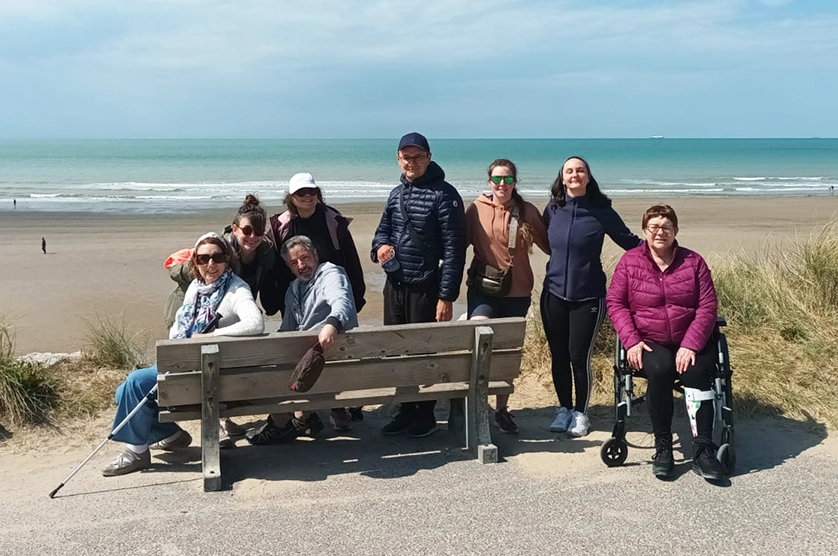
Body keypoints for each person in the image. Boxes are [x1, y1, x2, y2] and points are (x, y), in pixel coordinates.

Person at [102, 233, 264, 476]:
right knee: (123, 392)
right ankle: (169, 435)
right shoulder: (196, 288)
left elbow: (255, 323)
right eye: (204, 258)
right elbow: (180, 327)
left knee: (135, 383)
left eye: (218, 257)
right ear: (195, 262)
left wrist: (210, 336)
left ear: (228, 259)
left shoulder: (236, 289)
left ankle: (136, 453)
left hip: (210, 378)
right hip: (187, 367)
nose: (211, 264)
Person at [606, 205, 727, 481]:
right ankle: (663, 447)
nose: (660, 232)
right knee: (660, 370)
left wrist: (691, 344)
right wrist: (631, 341)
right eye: (654, 227)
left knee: (696, 372)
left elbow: (707, 306)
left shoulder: (694, 262)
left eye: (666, 227)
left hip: (691, 339)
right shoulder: (630, 262)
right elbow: (616, 303)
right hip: (649, 341)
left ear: (676, 231)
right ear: (644, 231)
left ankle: (703, 449)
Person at [371, 132, 466, 437]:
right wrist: (379, 248)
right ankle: (406, 408)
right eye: (406, 157)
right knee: (397, 351)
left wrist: (446, 297)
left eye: (417, 157)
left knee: (424, 353)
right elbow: (382, 231)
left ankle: (424, 414)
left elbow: (454, 250)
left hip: (426, 287)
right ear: (398, 159)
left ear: (428, 158)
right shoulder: (396, 194)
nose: (411, 162)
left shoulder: (445, 195)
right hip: (395, 285)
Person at [541, 156, 641, 437]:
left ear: (588, 176)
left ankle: (581, 413)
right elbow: (540, 238)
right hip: (553, 294)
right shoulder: (553, 209)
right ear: (562, 178)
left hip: (588, 297)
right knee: (558, 356)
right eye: (569, 171)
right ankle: (563, 408)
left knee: (578, 356)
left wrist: (662, 251)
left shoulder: (601, 210)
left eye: (580, 170)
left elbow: (630, 242)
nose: (575, 175)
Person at [246, 235, 359, 445]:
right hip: (314, 366)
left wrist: (332, 324)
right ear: (288, 267)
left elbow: (341, 301)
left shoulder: (331, 274)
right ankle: (303, 417)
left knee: (260, 377)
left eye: (305, 257)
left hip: (329, 363)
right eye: (294, 262)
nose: (301, 265)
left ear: (315, 255)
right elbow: (286, 330)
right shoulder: (293, 289)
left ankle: (281, 425)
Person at [465, 159, 549, 433]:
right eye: (498, 179)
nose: (503, 184)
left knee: (507, 352)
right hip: (483, 289)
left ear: (515, 182)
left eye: (508, 179)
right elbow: (455, 244)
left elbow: (552, 245)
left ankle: (501, 409)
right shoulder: (476, 209)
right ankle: (475, 404)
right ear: (489, 181)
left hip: (517, 291)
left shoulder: (527, 211)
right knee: (478, 336)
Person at [164, 194, 280, 328]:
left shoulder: (267, 252)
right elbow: (175, 273)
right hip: (187, 309)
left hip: (226, 310)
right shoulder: (218, 250)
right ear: (235, 230)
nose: (253, 236)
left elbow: (265, 283)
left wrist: (266, 306)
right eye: (247, 230)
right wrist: (197, 268)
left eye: (259, 231)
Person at [269, 172, 366, 316]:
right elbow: (272, 266)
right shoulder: (280, 226)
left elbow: (351, 261)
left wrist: (356, 297)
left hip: (330, 295)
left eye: (312, 191)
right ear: (291, 197)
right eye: (301, 192)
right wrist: (272, 302)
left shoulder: (334, 222)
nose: (307, 195)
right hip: (294, 300)